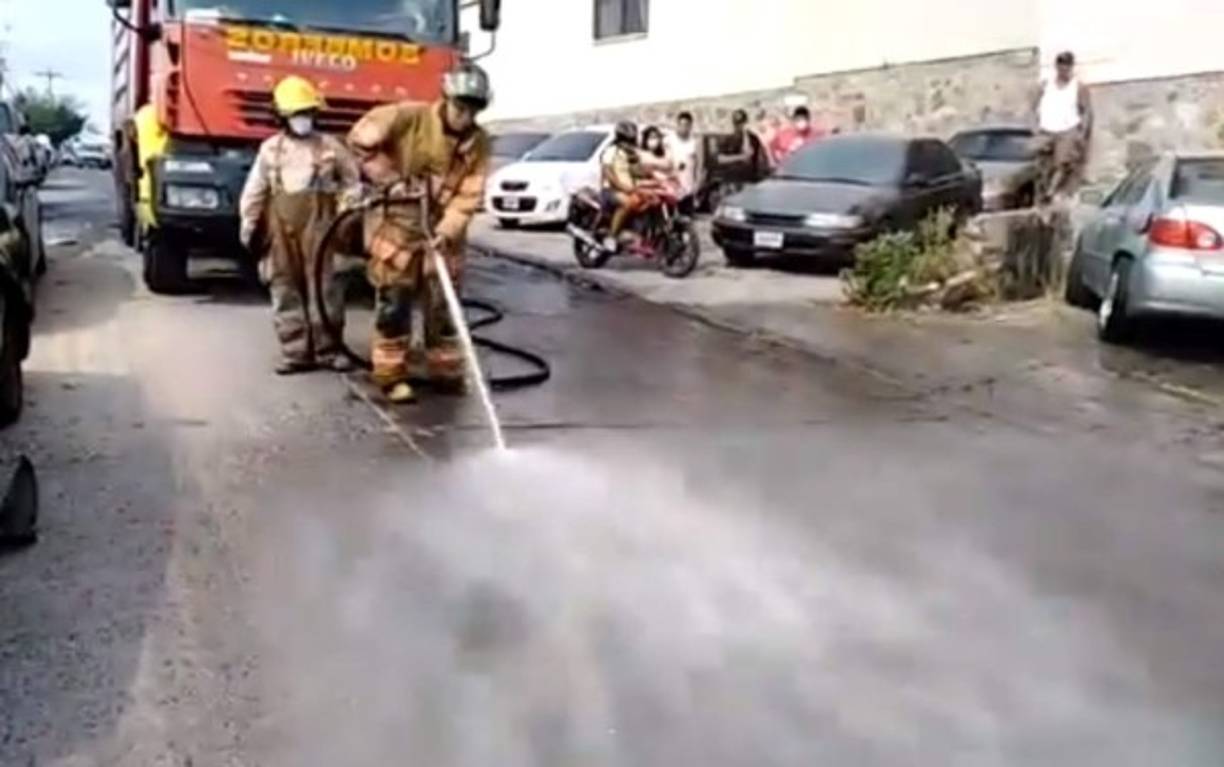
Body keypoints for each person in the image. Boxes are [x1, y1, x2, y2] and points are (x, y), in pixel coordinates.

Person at [347, 63, 492, 404]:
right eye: (460, 107)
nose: (465, 116)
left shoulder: (478, 143)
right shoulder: (407, 118)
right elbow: (360, 139)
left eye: (473, 110)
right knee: (394, 305)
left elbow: (471, 192)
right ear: (446, 99)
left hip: (444, 237)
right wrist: (390, 178)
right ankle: (391, 376)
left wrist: (448, 229)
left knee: (443, 308)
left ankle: (444, 372)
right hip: (398, 229)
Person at [239, 75, 360, 375]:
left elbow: (352, 183)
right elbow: (255, 191)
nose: (302, 119)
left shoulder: (331, 147)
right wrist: (248, 224)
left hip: (323, 229)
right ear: (282, 115)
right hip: (281, 231)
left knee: (326, 288)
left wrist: (346, 211)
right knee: (284, 289)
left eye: (306, 112)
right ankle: (295, 353)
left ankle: (329, 350)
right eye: (295, 113)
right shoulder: (270, 150)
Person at [1034, 51, 1093, 203]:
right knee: (1041, 162)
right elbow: (1035, 105)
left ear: (1071, 67)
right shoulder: (1046, 85)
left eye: (1067, 67)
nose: (1064, 70)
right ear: (1057, 67)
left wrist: (1083, 132)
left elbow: (1086, 111)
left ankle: (1051, 192)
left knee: (1062, 162)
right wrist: (1034, 125)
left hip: (1068, 129)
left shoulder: (1078, 87)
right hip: (1046, 128)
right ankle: (1044, 189)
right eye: (1061, 67)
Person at [599, 120, 642, 251]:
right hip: (610, 190)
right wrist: (622, 187)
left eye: (631, 139)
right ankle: (611, 237)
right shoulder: (611, 151)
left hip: (629, 190)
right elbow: (607, 172)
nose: (629, 142)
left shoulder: (632, 154)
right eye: (627, 139)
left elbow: (639, 172)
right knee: (627, 203)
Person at [666, 111, 701, 210]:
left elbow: (699, 166)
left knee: (687, 220)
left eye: (687, 125)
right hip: (671, 187)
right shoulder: (668, 140)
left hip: (688, 189)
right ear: (677, 124)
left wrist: (697, 184)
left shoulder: (694, 143)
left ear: (691, 126)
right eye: (681, 124)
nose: (684, 128)